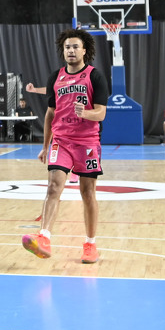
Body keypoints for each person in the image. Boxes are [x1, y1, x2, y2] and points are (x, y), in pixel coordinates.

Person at [22, 30, 109, 264]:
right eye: (67, 47)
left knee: (87, 193)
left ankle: (90, 244)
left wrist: (86, 113)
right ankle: (44, 238)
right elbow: (51, 113)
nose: (71, 50)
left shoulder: (95, 76)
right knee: (53, 187)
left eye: (75, 47)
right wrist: (45, 145)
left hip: (87, 142)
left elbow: (101, 113)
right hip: (61, 141)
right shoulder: (56, 77)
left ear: (84, 50)